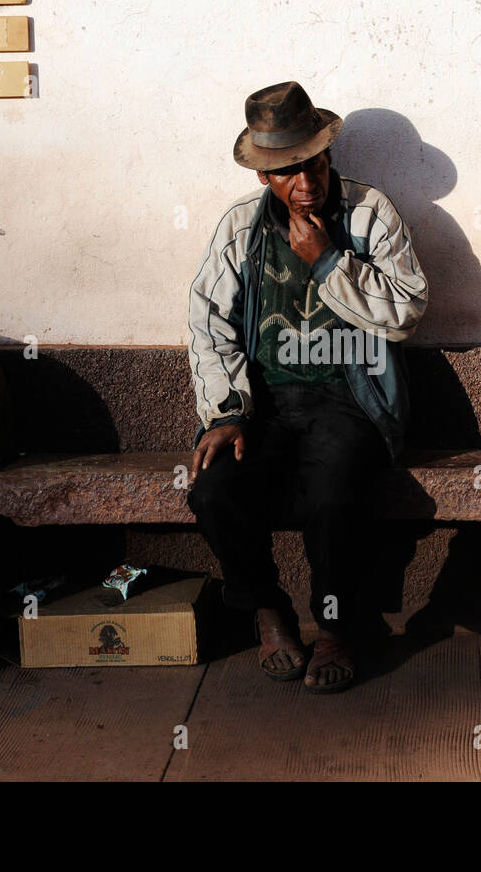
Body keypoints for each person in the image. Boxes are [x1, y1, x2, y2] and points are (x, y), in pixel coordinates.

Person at [187, 80, 428, 692]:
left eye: (313, 163)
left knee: (332, 492)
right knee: (215, 488)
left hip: (349, 401)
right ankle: (269, 611)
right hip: (260, 405)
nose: (305, 183)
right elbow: (208, 323)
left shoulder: (370, 212)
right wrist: (227, 412)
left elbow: (405, 312)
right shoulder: (241, 227)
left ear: (327, 154)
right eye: (288, 172)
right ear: (266, 176)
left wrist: (328, 261)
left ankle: (335, 629)